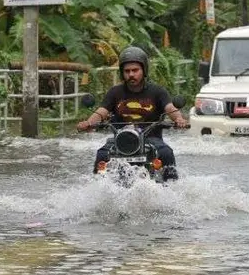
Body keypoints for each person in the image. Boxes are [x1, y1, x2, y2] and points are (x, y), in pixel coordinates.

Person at [76, 46, 188, 179]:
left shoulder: (157, 91)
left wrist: (179, 120)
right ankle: (99, 188)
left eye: (135, 70)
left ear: (144, 70)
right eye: (127, 71)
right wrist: (88, 123)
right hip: (120, 141)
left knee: (166, 153)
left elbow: (170, 108)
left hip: (151, 139)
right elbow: (102, 112)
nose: (131, 74)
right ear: (122, 73)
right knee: (102, 155)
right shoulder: (115, 92)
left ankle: (172, 188)